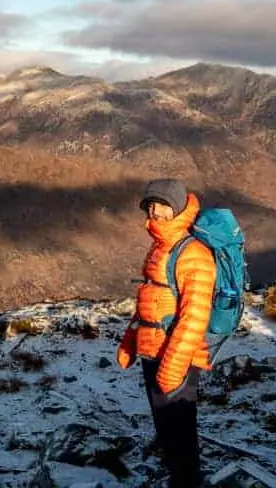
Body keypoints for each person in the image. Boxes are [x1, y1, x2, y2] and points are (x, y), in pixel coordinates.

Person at [116, 178, 216, 488]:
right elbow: (150, 298)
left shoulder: (194, 254)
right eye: (150, 205)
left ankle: (187, 480)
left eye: (161, 205)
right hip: (153, 348)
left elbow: (194, 317)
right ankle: (173, 468)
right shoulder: (161, 246)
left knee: (180, 427)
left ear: (177, 207)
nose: (154, 211)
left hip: (177, 356)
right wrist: (131, 339)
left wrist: (173, 365)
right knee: (164, 423)